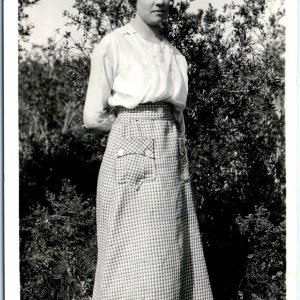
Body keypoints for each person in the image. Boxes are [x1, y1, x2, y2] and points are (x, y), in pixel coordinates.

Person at [83, 0, 213, 299]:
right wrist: (131, 130)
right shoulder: (114, 45)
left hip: (171, 153)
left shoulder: (174, 55)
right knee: (127, 248)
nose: (160, 1)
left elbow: (178, 119)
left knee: (170, 248)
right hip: (130, 149)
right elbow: (92, 117)